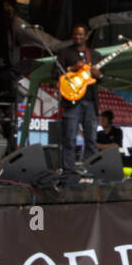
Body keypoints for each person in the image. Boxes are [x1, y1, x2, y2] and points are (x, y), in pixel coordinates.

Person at [52, 23, 100, 173]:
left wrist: (100, 75)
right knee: (69, 139)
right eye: (75, 34)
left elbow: (101, 78)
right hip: (71, 102)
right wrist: (72, 68)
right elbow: (55, 74)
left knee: (91, 139)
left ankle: (90, 171)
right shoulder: (64, 53)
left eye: (80, 34)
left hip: (90, 101)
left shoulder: (95, 55)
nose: (77, 37)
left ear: (86, 36)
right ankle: (68, 171)